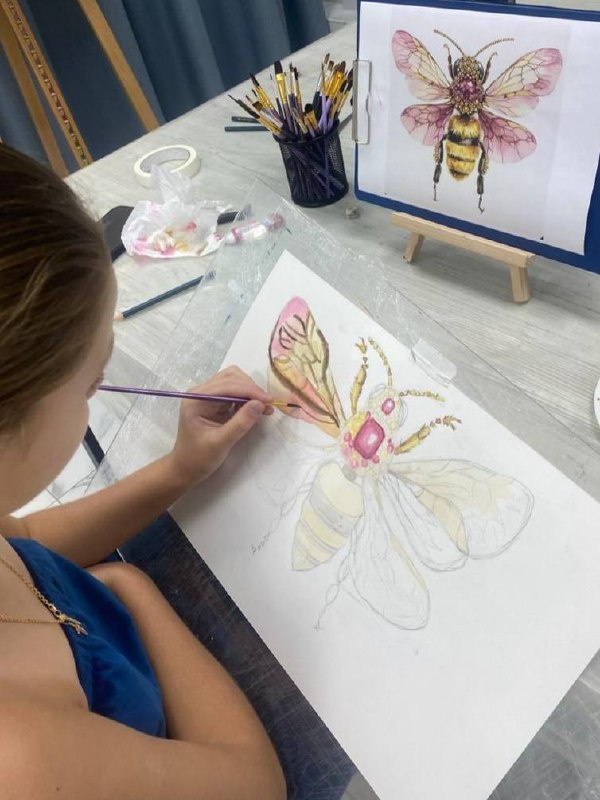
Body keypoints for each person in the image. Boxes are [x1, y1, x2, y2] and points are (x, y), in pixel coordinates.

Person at [0, 143, 286, 800]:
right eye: (92, 381)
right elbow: (255, 785)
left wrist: (179, 470)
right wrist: (129, 588)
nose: (99, 391)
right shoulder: (23, 762)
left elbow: (24, 542)